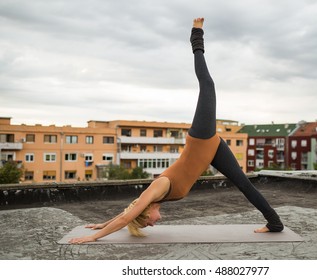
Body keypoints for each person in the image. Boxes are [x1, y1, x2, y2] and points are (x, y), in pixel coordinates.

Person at [69, 18, 283, 244]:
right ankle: (275, 223)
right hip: (212, 151)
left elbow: (128, 216)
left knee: (208, 85)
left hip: (201, 140)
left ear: (146, 211)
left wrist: (93, 237)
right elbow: (128, 213)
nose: (151, 224)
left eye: (145, 222)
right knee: (244, 184)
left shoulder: (158, 188)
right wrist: (103, 224)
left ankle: (196, 37)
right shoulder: (156, 200)